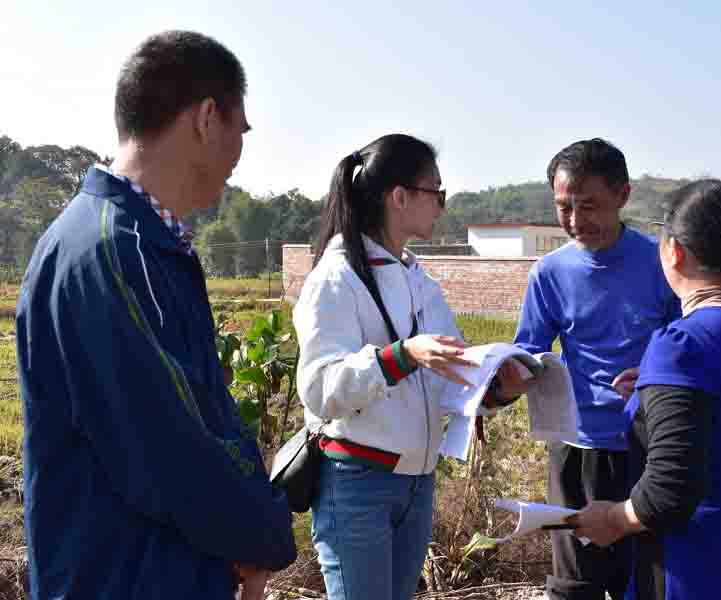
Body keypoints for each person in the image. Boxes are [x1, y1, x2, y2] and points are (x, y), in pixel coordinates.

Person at [15, 31, 296, 599]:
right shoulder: (115, 251)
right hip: (125, 578)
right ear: (207, 118)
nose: (240, 152)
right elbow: (173, 445)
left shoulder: (135, 242)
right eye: (242, 129)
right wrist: (264, 533)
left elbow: (205, 406)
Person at [294, 134, 527, 600]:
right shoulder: (336, 278)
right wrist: (402, 356)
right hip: (357, 483)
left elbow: (449, 376)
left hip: (416, 484)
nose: (441, 206)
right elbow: (320, 389)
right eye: (436, 192)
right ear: (398, 197)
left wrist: (499, 389)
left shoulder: (419, 281)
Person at [570, 180, 721, 599]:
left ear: (674, 251)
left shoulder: (682, 345)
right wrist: (654, 398)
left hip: (704, 571)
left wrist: (611, 519)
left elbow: (671, 491)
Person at [513, 138, 680, 600]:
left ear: (623, 195)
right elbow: (528, 350)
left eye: (588, 206)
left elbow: (686, 346)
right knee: (576, 585)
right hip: (577, 448)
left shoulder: (662, 265)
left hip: (647, 447)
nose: (574, 220)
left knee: (647, 579)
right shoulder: (549, 273)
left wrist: (654, 376)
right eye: (563, 207)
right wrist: (496, 382)